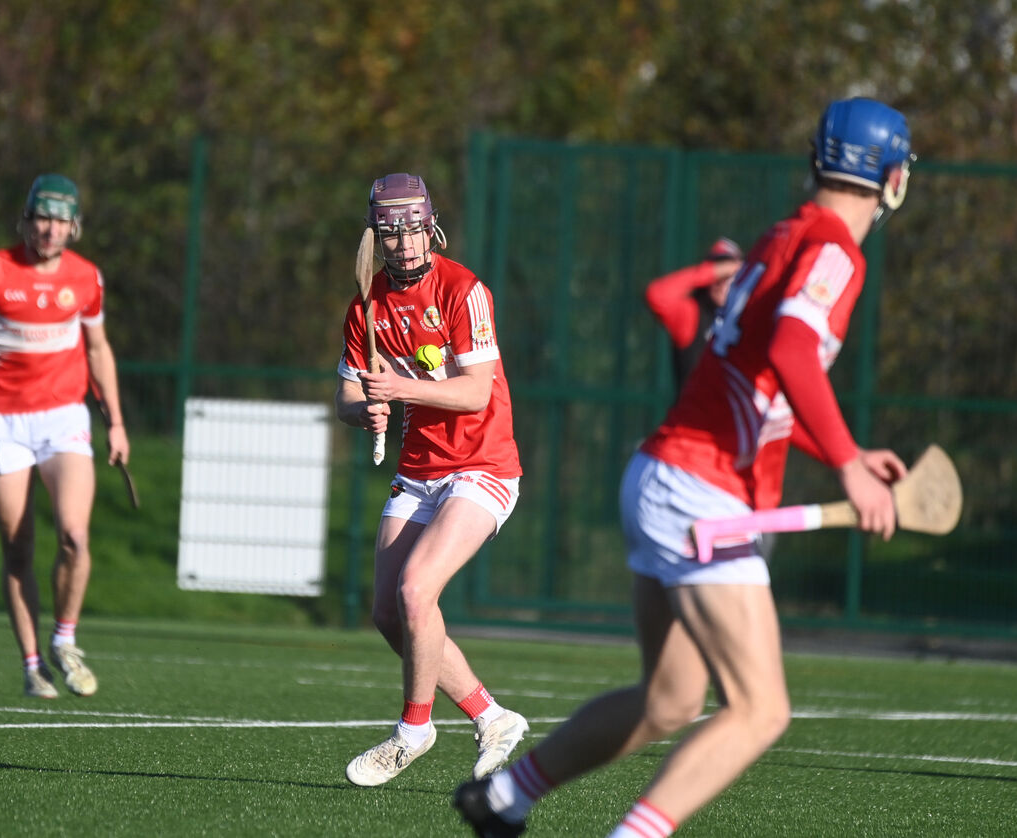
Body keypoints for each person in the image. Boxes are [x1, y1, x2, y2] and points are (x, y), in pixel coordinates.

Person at [454, 97, 916, 836]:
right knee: (761, 709)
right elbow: (795, 354)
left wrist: (849, 454)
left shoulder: (781, 237)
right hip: (704, 493)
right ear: (893, 178)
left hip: (661, 475)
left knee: (668, 700)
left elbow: (752, 382)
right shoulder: (834, 249)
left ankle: (505, 798)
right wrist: (850, 467)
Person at [336, 172, 529, 787]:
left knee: (418, 591)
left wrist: (400, 388)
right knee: (389, 613)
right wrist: (364, 406)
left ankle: (413, 729)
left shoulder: (464, 289)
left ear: (430, 225)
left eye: (414, 227)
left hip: (484, 464)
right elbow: (345, 392)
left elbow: (475, 392)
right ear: (377, 235)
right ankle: (492, 717)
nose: (406, 241)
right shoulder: (366, 306)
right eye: (392, 231)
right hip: (419, 471)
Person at [0, 173, 129, 700]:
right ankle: (32, 663)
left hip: (64, 416)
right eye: (41, 217)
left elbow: (97, 350)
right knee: (18, 548)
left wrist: (115, 421)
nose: (49, 229)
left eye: (60, 219)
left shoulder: (87, 278)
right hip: (3, 422)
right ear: (25, 220)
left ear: (74, 227)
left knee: (74, 536)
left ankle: (65, 640)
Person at [644, 237, 744, 393]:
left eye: (729, 277)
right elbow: (657, 295)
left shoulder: (745, 317)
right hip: (696, 415)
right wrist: (712, 272)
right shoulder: (693, 314)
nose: (722, 283)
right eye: (718, 275)